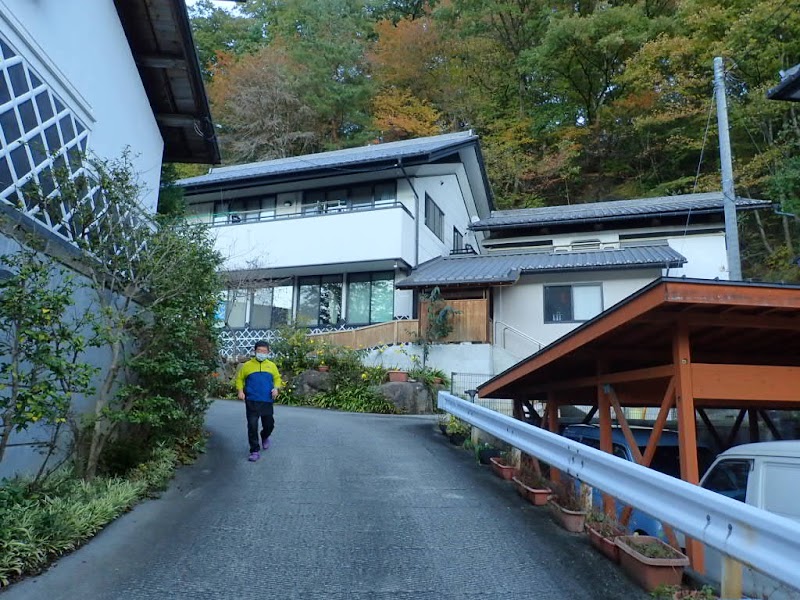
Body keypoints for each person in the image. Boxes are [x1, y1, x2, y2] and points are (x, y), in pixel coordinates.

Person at [235, 340, 283, 462]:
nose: (262, 353)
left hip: (267, 399)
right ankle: (254, 450)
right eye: (259, 351)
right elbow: (239, 379)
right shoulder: (247, 366)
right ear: (254, 351)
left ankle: (265, 436)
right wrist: (240, 391)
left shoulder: (271, 366)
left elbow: (277, 379)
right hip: (252, 400)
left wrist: (276, 389)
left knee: (269, 424)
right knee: (252, 425)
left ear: (268, 352)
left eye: (264, 351)